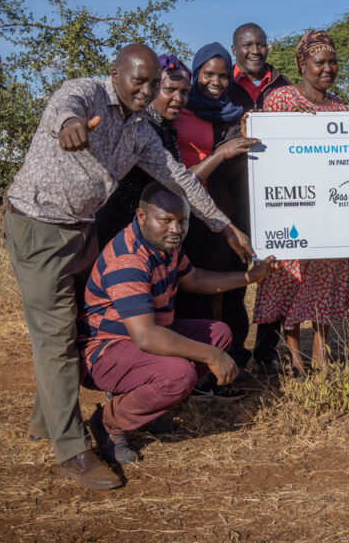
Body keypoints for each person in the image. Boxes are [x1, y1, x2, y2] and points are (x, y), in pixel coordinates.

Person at [3, 44, 253, 490]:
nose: (146, 90)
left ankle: (46, 421)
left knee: (77, 327)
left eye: (153, 82)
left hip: (83, 230)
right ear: (116, 73)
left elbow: (178, 179)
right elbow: (67, 106)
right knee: (57, 338)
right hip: (40, 229)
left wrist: (224, 227)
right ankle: (71, 451)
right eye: (138, 80)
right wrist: (71, 125)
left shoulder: (139, 130)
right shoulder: (85, 95)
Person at [80, 182, 275, 464]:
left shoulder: (163, 245)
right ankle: (108, 423)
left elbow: (194, 279)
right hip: (105, 352)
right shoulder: (129, 260)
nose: (176, 229)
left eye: (182, 221)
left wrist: (250, 278)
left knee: (219, 333)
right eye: (166, 220)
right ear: (142, 216)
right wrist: (213, 356)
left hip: (138, 340)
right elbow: (146, 337)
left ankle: (146, 411)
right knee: (179, 375)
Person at [252, 30, 349, 376]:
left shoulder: (341, 107)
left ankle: (322, 357)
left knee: (325, 284)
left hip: (331, 212)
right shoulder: (280, 100)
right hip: (291, 208)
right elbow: (267, 149)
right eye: (319, 63)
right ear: (302, 64)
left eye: (332, 62)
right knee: (290, 282)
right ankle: (296, 361)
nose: (327, 69)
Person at [172, 43, 259, 391]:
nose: (217, 81)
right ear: (196, 75)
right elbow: (177, 172)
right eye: (209, 74)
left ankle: (233, 358)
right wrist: (221, 153)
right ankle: (199, 368)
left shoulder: (234, 112)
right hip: (185, 212)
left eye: (223, 75)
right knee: (196, 292)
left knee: (230, 290)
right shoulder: (177, 108)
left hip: (222, 212)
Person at [228, 23, 294, 373]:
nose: (255, 50)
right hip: (233, 192)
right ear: (235, 48)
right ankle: (235, 349)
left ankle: (267, 349)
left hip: (278, 195)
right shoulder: (222, 83)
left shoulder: (284, 87)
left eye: (261, 44)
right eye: (248, 44)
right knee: (234, 273)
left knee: (278, 272)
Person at [93, 54, 192, 250]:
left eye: (184, 92)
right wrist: (221, 155)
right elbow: (175, 182)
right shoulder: (143, 126)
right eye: (170, 90)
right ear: (154, 89)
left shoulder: (165, 127)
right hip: (119, 229)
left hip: (145, 231)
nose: (178, 98)